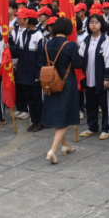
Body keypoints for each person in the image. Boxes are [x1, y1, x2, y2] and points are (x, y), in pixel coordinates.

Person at [41, 17, 84, 163]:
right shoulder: (70, 45)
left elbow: (41, 62)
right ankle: (53, 150)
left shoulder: (47, 43)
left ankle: (65, 145)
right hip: (66, 82)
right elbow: (78, 64)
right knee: (64, 115)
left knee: (57, 113)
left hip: (50, 81)